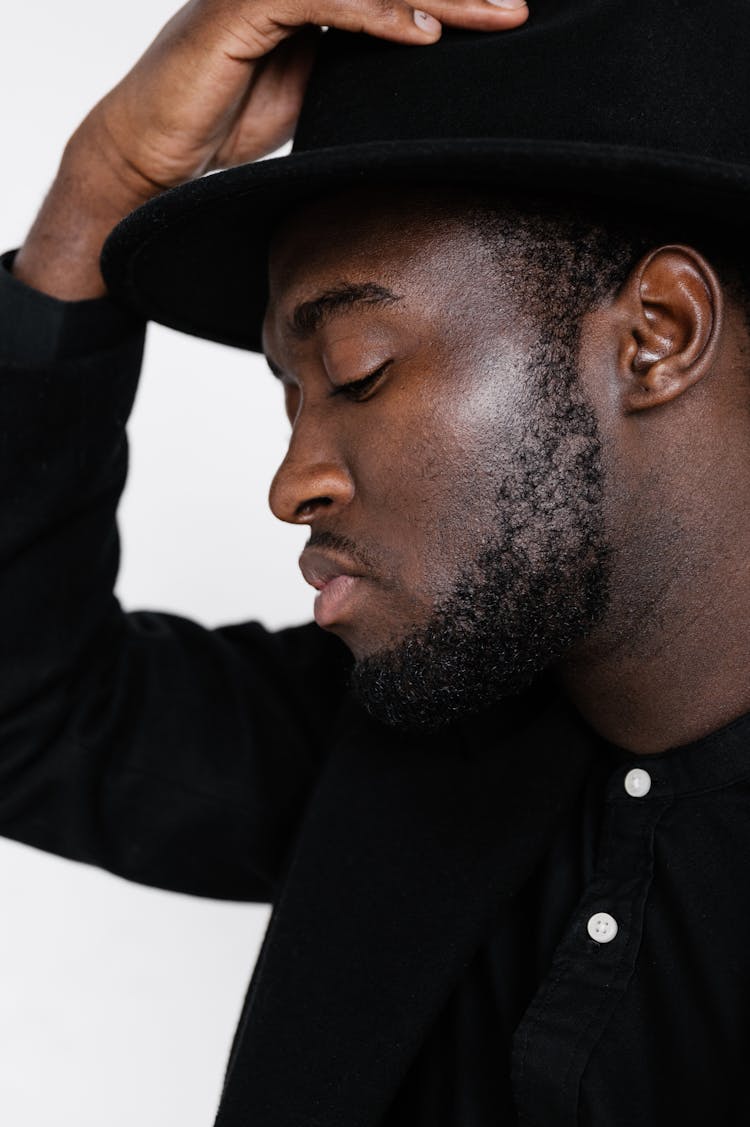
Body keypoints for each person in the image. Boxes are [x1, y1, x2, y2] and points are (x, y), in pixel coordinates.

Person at [2, 0, 750, 1123]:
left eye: (355, 372)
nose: (290, 481)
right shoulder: (414, 744)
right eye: (287, 396)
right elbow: (29, 709)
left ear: (656, 333)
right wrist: (99, 188)